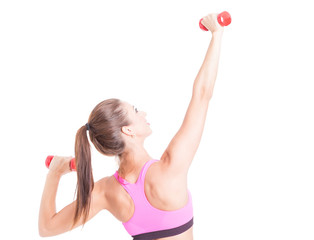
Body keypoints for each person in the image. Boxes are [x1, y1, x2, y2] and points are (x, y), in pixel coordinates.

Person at [38, 13, 225, 240]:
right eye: (135, 111)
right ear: (128, 130)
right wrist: (217, 33)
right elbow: (202, 95)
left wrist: (55, 174)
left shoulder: (106, 192)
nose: (143, 113)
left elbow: (47, 228)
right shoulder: (170, 168)